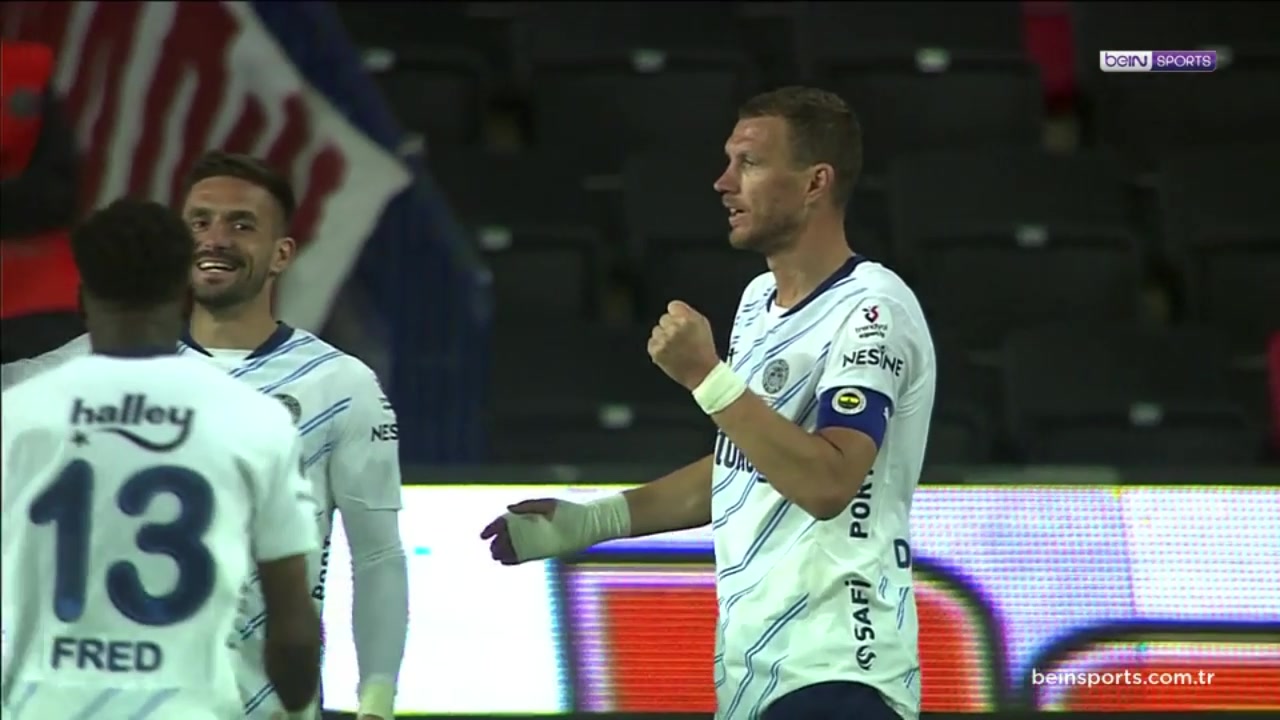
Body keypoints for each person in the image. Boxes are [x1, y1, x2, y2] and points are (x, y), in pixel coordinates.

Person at [481, 87, 936, 720]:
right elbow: (741, 468)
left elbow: (829, 481)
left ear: (815, 182)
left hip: (840, 671)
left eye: (749, 163)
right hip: (754, 680)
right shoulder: (756, 303)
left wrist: (706, 377)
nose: (724, 183)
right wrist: (589, 523)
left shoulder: (872, 308)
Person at [0, 151, 410, 720]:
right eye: (199, 222)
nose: (215, 238)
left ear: (281, 253)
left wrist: (377, 702)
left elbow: (378, 555)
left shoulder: (340, 385)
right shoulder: (77, 369)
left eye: (241, 225)